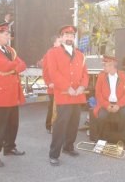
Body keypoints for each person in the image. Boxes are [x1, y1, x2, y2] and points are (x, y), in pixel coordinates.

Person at [0, 22, 26, 167]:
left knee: (13, 124)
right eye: (5, 33)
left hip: (13, 93)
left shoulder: (10, 50)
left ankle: (9, 147)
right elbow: (4, 66)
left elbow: (23, 65)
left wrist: (12, 70)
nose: (8, 35)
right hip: (1, 95)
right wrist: (14, 66)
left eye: (8, 33)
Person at [47, 25, 89, 166]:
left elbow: (85, 73)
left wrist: (83, 86)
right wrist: (67, 87)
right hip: (64, 95)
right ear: (61, 37)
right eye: (66, 35)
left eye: (71, 35)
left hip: (77, 95)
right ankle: (54, 154)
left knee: (74, 123)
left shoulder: (80, 55)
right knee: (60, 125)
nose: (69, 37)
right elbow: (54, 73)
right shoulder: (53, 53)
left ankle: (68, 147)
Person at [93, 55, 125, 143]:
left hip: (121, 103)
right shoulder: (101, 76)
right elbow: (98, 93)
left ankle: (122, 139)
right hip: (105, 103)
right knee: (101, 116)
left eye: (105, 65)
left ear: (112, 66)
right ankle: (100, 139)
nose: (103, 67)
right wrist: (107, 105)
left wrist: (118, 105)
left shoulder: (124, 76)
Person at [42, 35, 62, 134]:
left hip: (62, 87)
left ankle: (59, 126)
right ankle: (49, 126)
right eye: (59, 41)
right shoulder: (49, 54)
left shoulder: (64, 53)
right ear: (54, 43)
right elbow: (45, 71)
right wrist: (49, 82)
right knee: (52, 107)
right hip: (53, 87)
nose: (61, 43)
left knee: (61, 108)